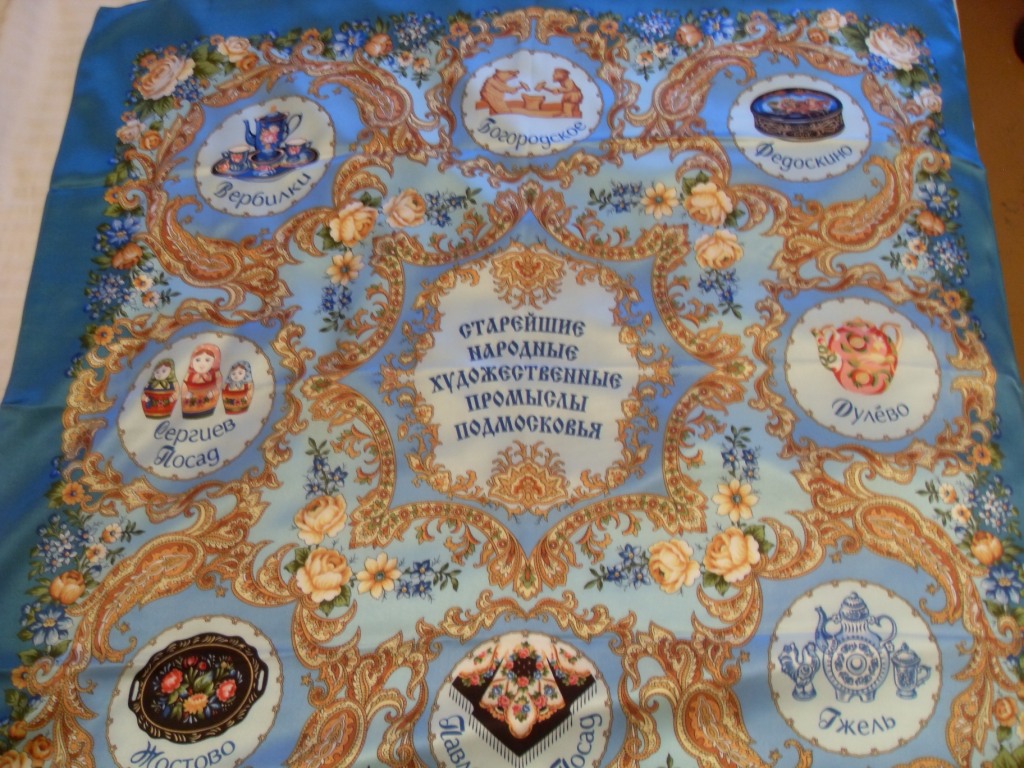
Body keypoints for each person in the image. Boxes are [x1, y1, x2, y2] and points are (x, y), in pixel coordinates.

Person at [180, 343, 223, 418]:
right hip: (190, 405)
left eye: (207, 360)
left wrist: (213, 392)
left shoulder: (215, 375)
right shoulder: (189, 375)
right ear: (192, 361)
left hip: (209, 404)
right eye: (197, 360)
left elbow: (218, 386)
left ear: (213, 362)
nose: (202, 364)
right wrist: (185, 393)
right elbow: (184, 386)